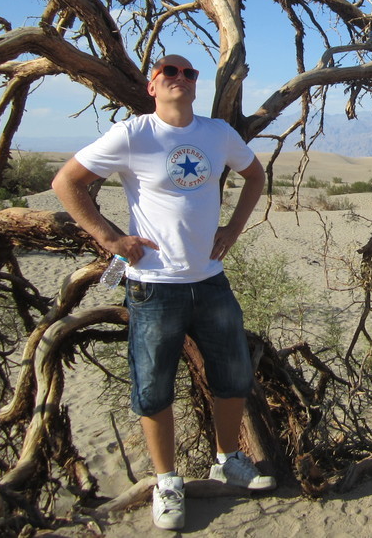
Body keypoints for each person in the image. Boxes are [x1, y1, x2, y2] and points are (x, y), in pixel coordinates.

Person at [51, 54, 275, 531]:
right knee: (153, 387)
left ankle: (228, 459)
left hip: (210, 280)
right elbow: (66, 182)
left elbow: (255, 176)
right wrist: (110, 239)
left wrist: (233, 229)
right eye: (169, 72)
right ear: (152, 86)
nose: (180, 78)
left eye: (189, 73)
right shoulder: (133, 135)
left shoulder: (218, 133)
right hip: (153, 286)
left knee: (234, 373)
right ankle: (167, 481)